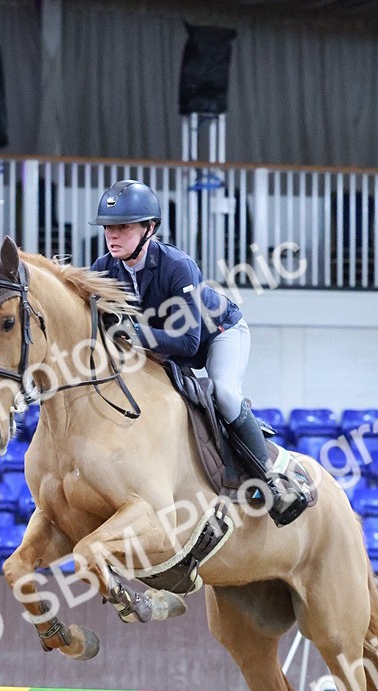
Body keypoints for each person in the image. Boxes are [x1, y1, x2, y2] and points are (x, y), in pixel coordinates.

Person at [90, 179, 312, 526]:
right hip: (162, 352)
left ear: (150, 229)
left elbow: (188, 343)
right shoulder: (103, 270)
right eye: (109, 228)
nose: (113, 235)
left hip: (218, 336)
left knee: (224, 393)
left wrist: (132, 333)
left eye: (123, 227)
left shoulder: (177, 266)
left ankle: (270, 479)